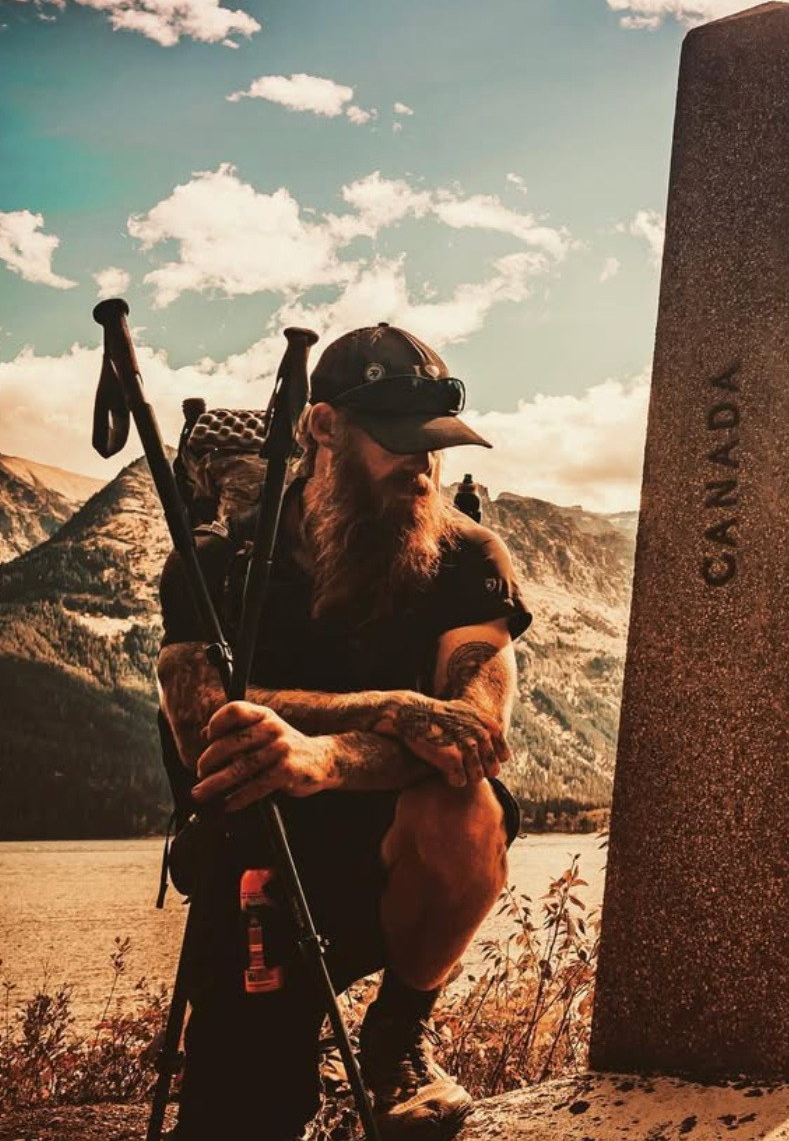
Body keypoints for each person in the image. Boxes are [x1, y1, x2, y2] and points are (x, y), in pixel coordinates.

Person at [155, 323, 531, 1141]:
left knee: (467, 806)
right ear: (322, 428)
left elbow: (471, 735)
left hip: (395, 858)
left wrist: (318, 756)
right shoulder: (216, 564)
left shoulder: (469, 558)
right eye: (397, 442)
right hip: (257, 865)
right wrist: (386, 707)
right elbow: (198, 726)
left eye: (433, 445)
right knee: (238, 1117)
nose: (422, 467)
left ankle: (397, 1034)